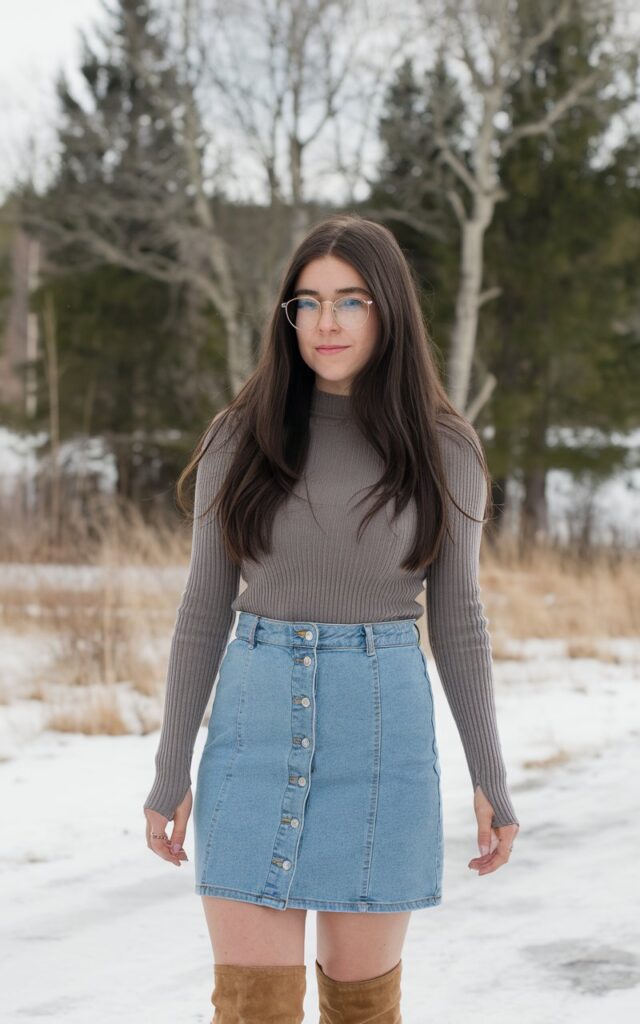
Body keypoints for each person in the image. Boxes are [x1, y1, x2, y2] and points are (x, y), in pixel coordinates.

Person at [143, 213, 520, 1023]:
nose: (326, 322)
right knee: (252, 1010)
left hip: (382, 745)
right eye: (307, 303)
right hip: (251, 737)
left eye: (350, 301)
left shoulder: (444, 448)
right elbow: (202, 610)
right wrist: (170, 767)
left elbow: (458, 622)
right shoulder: (238, 438)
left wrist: (490, 776)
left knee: (361, 1011)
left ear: (388, 310)